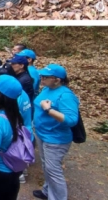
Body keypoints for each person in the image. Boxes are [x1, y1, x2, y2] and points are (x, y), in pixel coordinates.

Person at [31, 64, 78, 200]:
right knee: (47, 166)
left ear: (57, 79)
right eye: (41, 76)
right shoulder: (47, 88)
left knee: (54, 171)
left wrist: (48, 110)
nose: (42, 79)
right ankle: (47, 191)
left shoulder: (66, 95)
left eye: (46, 77)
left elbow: (71, 120)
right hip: (42, 134)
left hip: (56, 139)